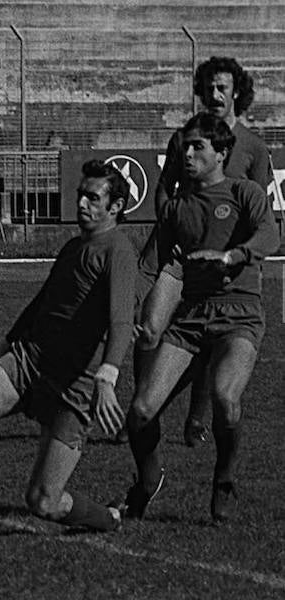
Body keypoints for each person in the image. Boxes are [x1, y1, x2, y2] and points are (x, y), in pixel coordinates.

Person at [0, 160, 136, 541]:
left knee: (43, 502)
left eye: (93, 197)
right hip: (28, 362)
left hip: (75, 387)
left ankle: (110, 518)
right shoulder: (73, 247)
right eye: (80, 194)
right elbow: (40, 306)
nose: (82, 203)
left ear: (115, 206)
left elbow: (121, 319)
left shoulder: (118, 250)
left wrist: (108, 375)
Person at [122, 113, 279, 524]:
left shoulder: (244, 193)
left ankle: (223, 477)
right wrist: (123, 312)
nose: (186, 154)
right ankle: (148, 476)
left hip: (239, 316)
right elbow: (149, 266)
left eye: (197, 147)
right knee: (139, 412)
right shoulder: (177, 209)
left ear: (222, 153)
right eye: (184, 147)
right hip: (190, 320)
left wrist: (232, 256)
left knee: (226, 399)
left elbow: (269, 235)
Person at [128, 56, 275, 448]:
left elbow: (261, 209)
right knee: (149, 329)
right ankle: (142, 404)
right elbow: (165, 187)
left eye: (222, 88)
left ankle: (196, 416)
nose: (213, 95)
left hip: (225, 264)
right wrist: (170, 221)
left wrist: (239, 256)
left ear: (237, 93)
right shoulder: (184, 138)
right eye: (208, 87)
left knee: (211, 336)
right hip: (181, 256)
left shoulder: (254, 148)